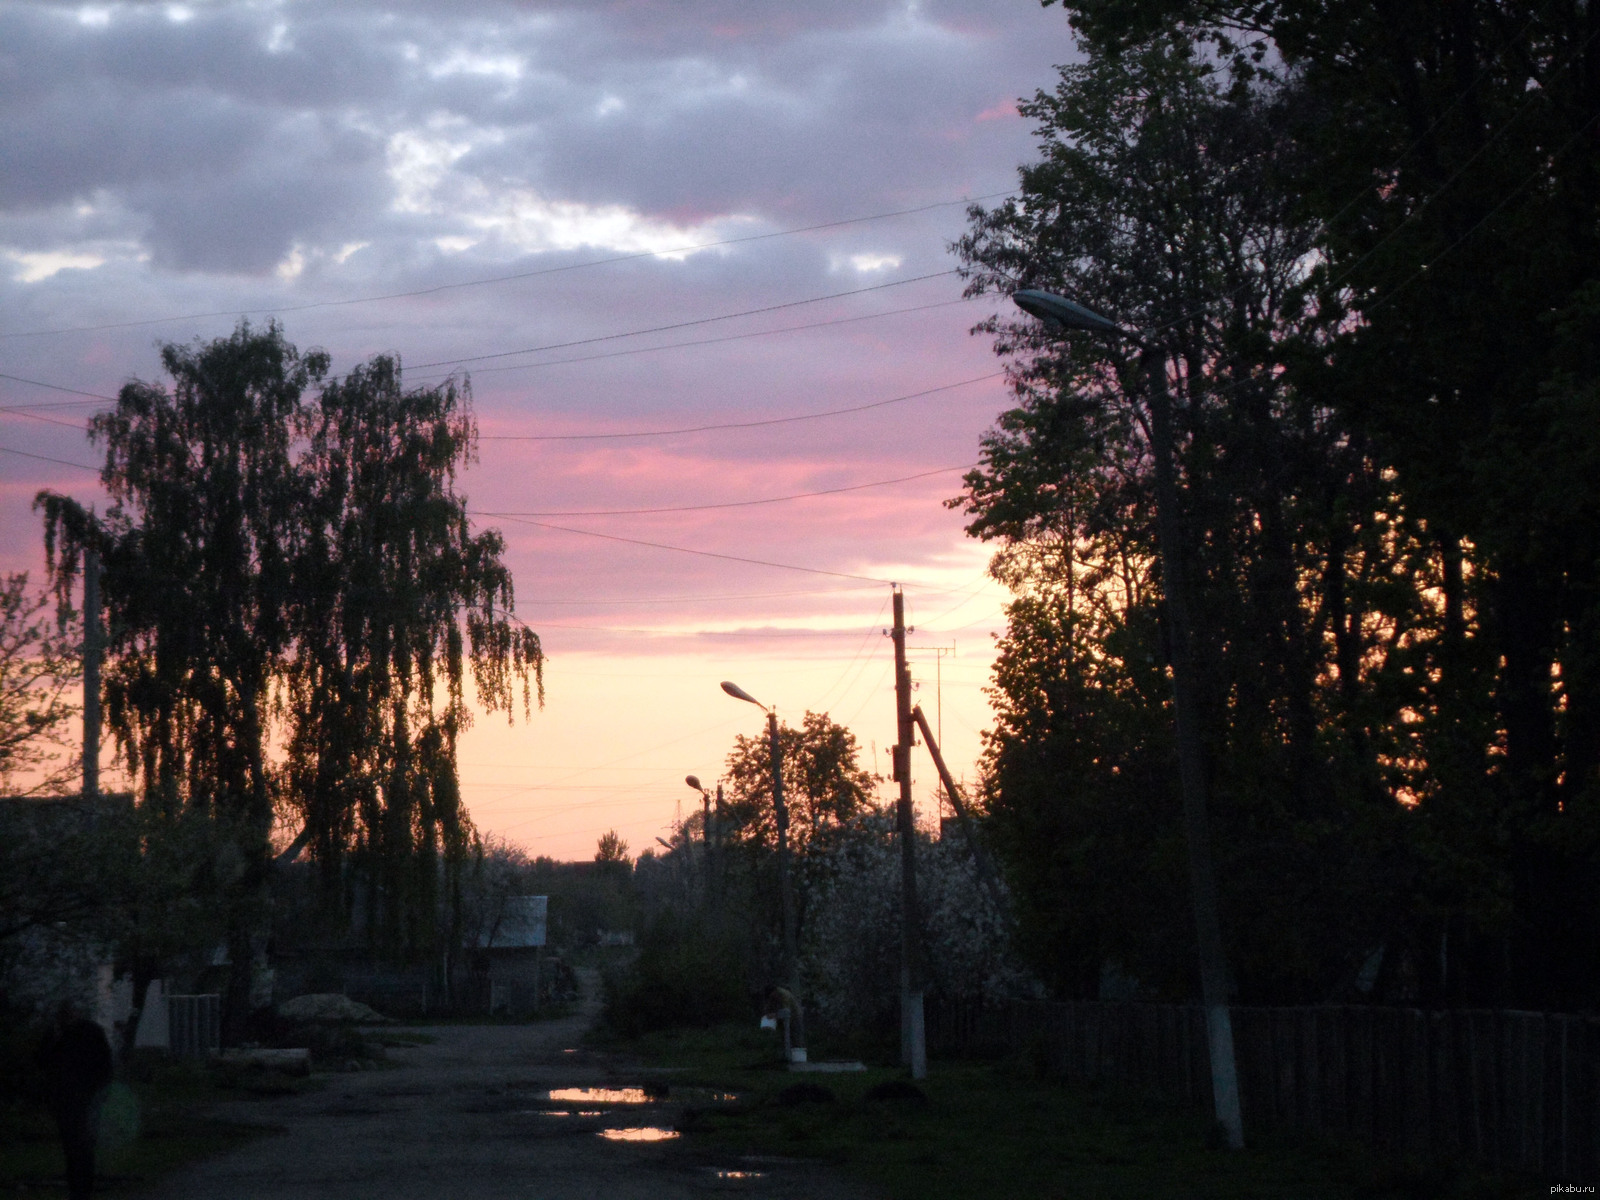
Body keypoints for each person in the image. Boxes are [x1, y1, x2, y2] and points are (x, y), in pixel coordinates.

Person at [39, 1003, 114, 1200]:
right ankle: (78, 1187)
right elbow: (43, 1061)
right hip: (68, 1097)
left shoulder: (87, 1033)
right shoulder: (61, 1035)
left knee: (81, 1143)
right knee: (73, 1144)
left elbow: (104, 1062)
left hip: (84, 1095)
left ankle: (82, 1188)